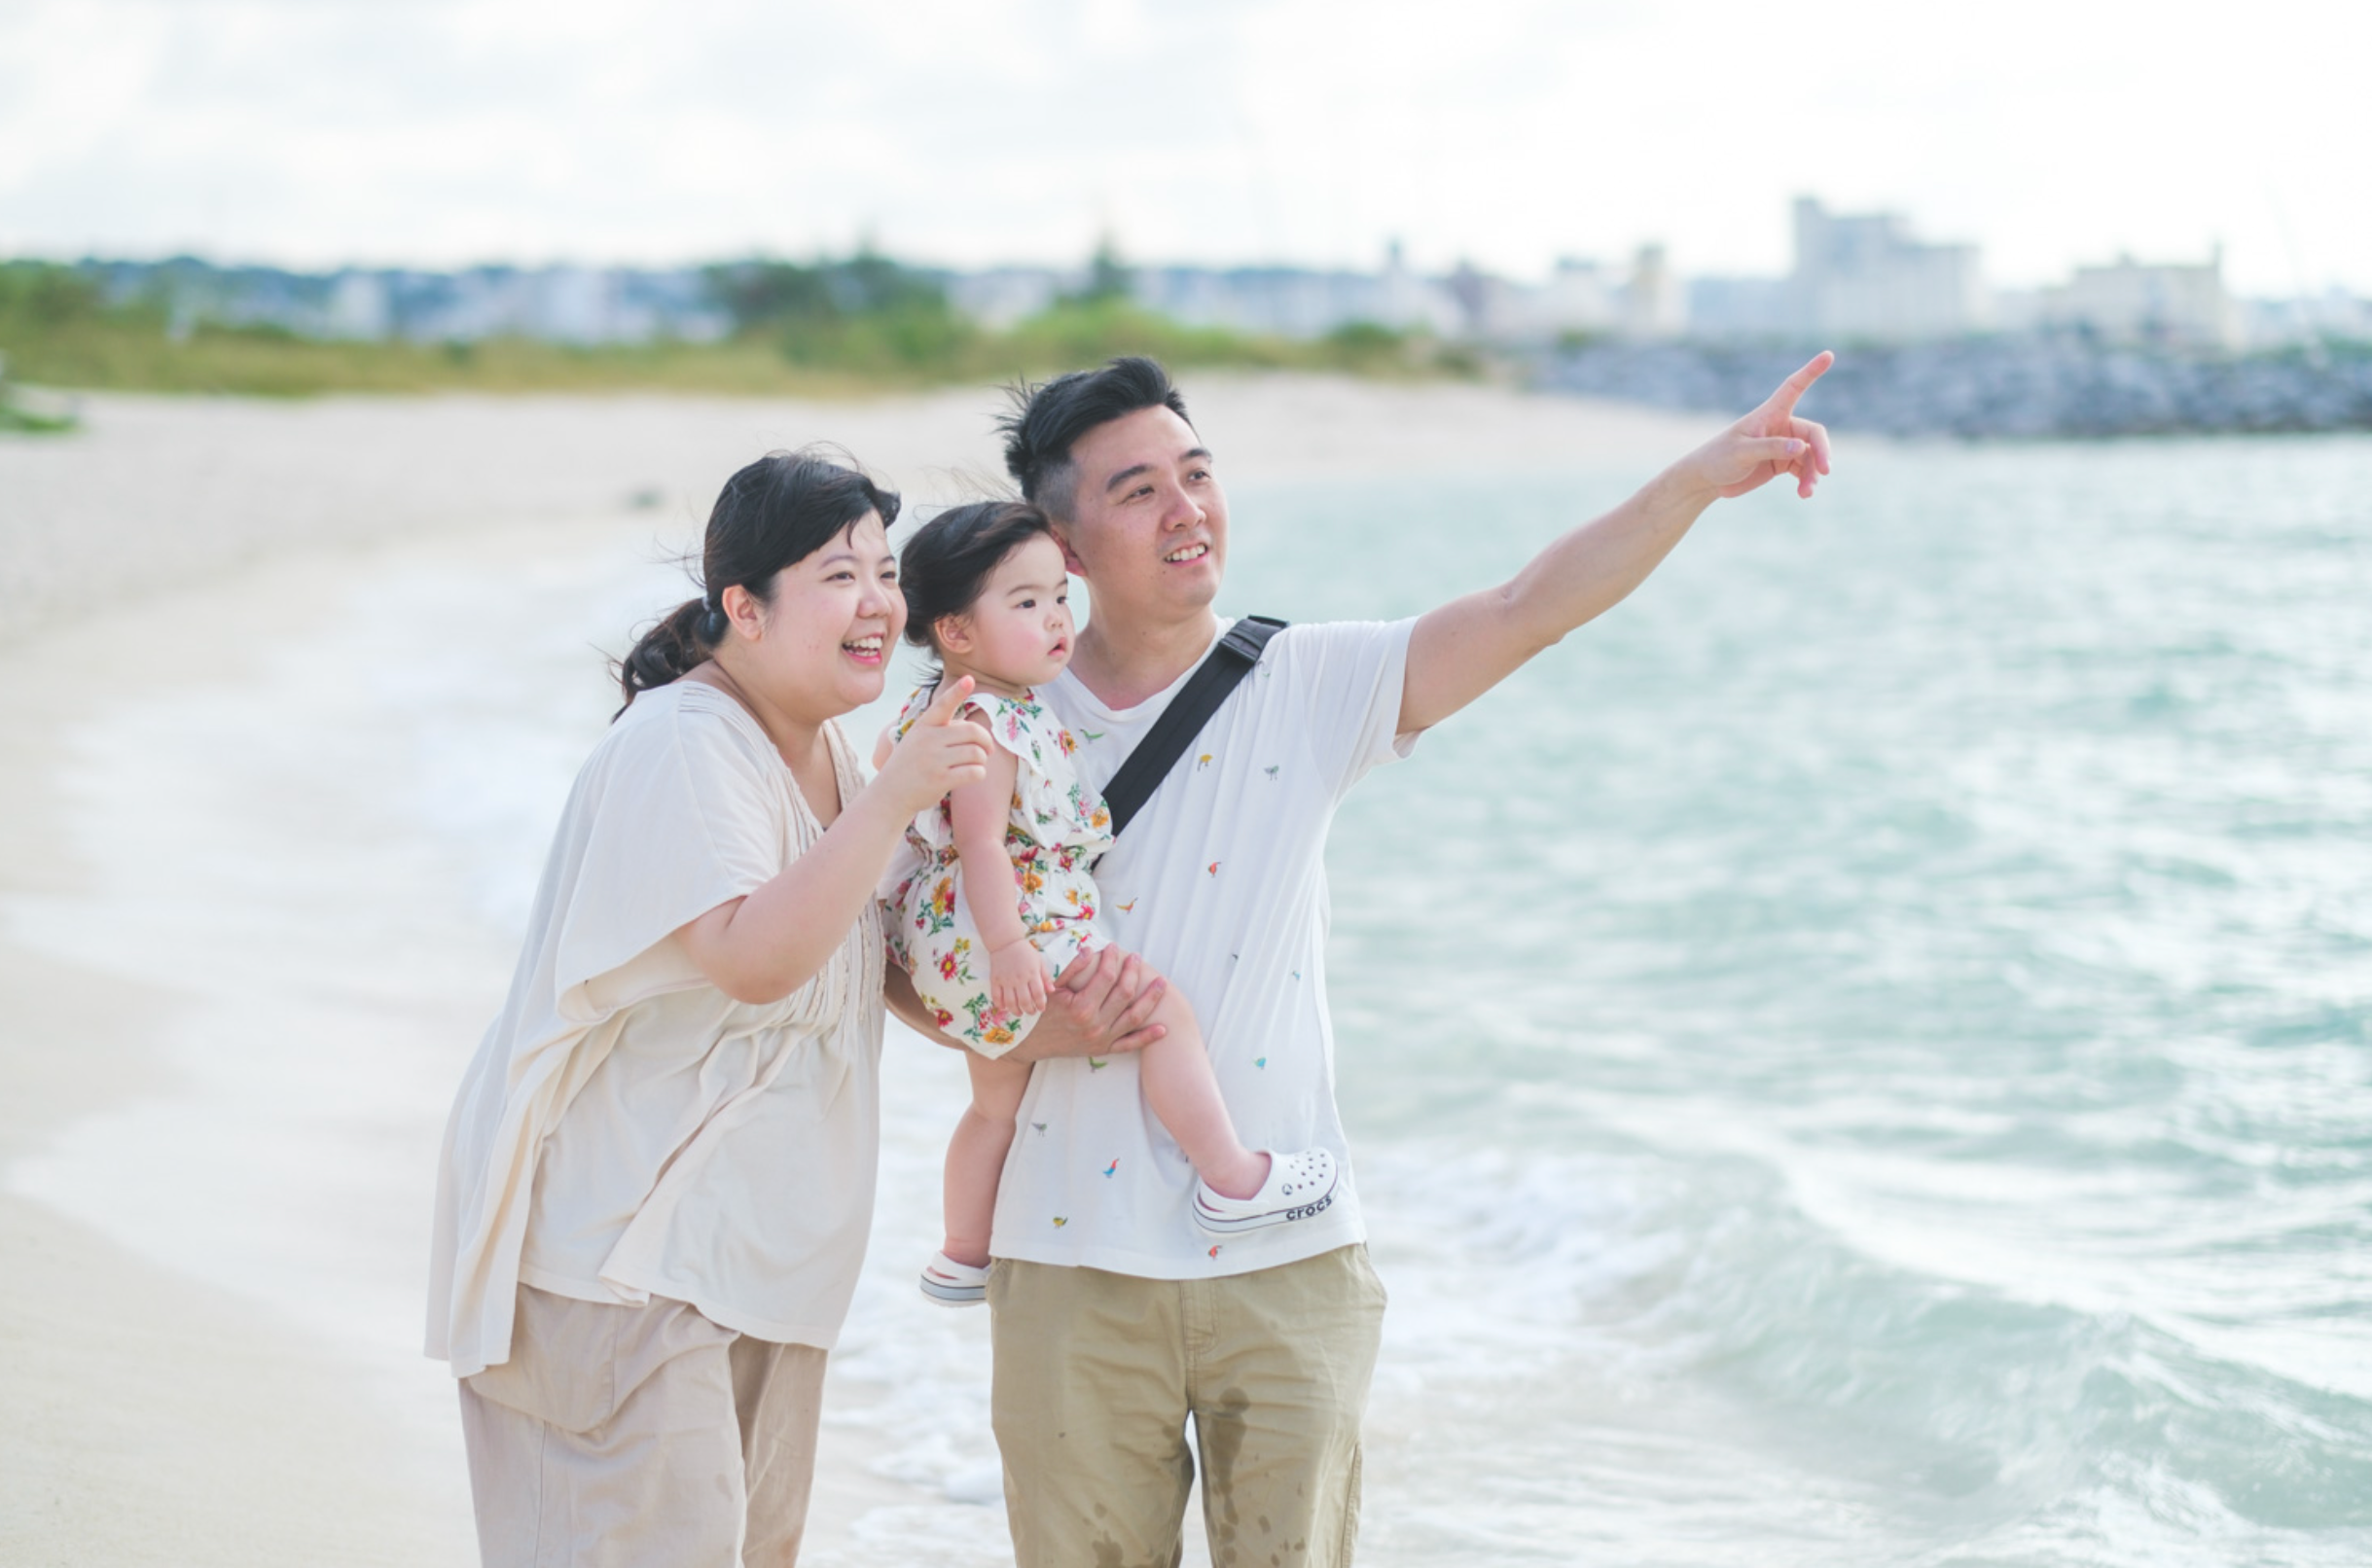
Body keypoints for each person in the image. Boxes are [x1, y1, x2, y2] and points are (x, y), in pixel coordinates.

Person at [881, 353, 1835, 1567]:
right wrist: (1018, 1026)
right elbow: (889, 950)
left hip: (1286, 1251)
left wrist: (1695, 480)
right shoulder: (981, 713)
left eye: (1197, 473)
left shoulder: (1304, 679)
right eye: (1136, 491)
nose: (1186, 509)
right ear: (1056, 544)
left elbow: (1521, 606)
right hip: (1068, 1258)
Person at [424, 450, 1004, 1567]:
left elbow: (872, 969)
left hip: (757, 1270)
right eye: (839, 574)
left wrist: (1053, 1004)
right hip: (622, 1265)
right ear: (743, 606)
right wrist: (898, 793)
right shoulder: (684, 743)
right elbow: (754, 958)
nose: (879, 601)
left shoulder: (827, 747)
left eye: (885, 571)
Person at [877, 499, 1341, 1308]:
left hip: (949, 946)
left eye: (1060, 596)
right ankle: (1231, 1176)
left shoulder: (932, 712)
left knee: (994, 1108)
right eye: (1026, 604)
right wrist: (1014, 946)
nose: (1058, 619)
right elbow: (982, 844)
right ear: (954, 631)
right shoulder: (993, 723)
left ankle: (961, 1252)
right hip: (1008, 930)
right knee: (1162, 1011)